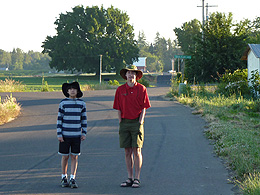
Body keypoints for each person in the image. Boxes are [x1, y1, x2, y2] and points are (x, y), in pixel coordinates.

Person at [113, 65, 151, 188]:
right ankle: (129, 177)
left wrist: (140, 121)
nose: (130, 75)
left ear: (136, 76)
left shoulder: (142, 89)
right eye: (128, 73)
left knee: (137, 150)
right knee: (127, 151)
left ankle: (137, 178)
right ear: (125, 76)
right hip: (124, 122)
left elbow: (144, 107)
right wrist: (120, 121)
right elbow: (118, 107)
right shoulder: (120, 90)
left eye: (133, 73)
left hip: (136, 122)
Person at [57, 81, 87, 188]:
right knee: (65, 156)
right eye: (70, 89)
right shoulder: (63, 103)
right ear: (67, 91)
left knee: (74, 156)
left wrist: (84, 132)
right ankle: (63, 177)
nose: (72, 90)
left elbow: (84, 119)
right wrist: (59, 134)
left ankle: (72, 178)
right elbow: (59, 120)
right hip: (65, 135)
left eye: (74, 88)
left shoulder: (81, 103)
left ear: (77, 91)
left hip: (76, 135)